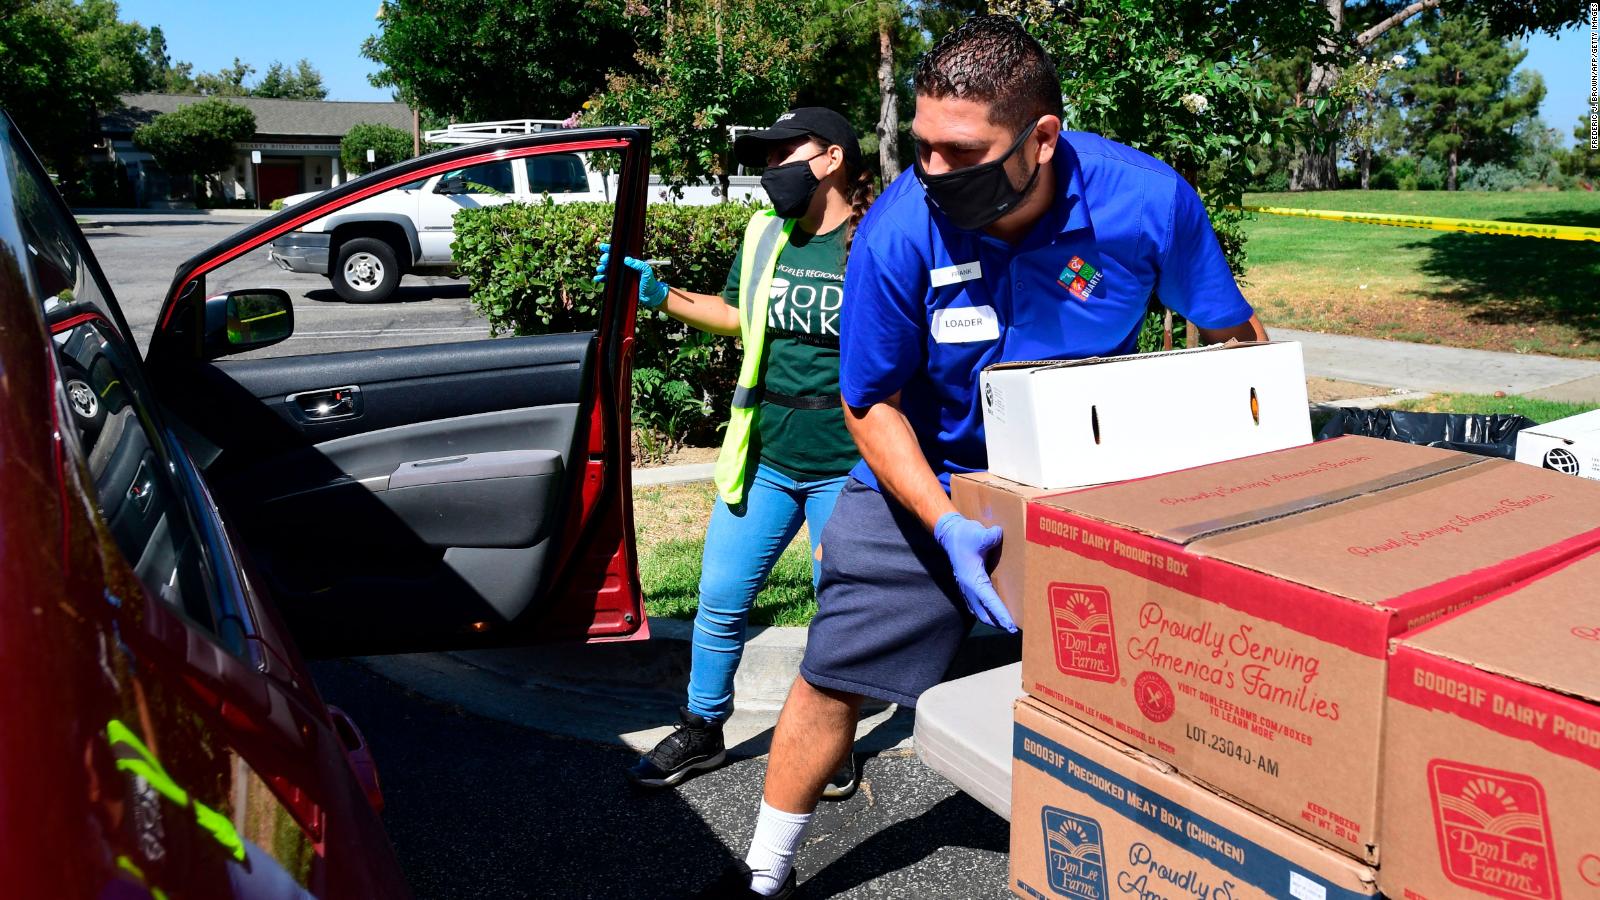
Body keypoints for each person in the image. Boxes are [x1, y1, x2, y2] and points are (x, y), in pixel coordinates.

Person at [701, 16, 1266, 898]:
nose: (933, 172)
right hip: (930, 468)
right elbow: (869, 401)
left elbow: (1233, 339)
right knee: (834, 670)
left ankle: (1162, 856)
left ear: (1042, 139)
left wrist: (1232, 458)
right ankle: (763, 869)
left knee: (1149, 675)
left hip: (1089, 472)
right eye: (923, 147)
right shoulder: (897, 231)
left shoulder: (1146, 202)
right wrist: (941, 520)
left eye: (962, 153)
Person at [595, 108, 875, 794]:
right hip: (766, 456)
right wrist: (660, 296)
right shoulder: (764, 233)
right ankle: (703, 729)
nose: (771, 166)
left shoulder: (875, 241)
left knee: (834, 610)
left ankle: (831, 742)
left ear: (834, 158)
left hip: (848, 464)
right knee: (720, 598)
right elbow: (736, 313)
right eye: (768, 152)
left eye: (787, 151)